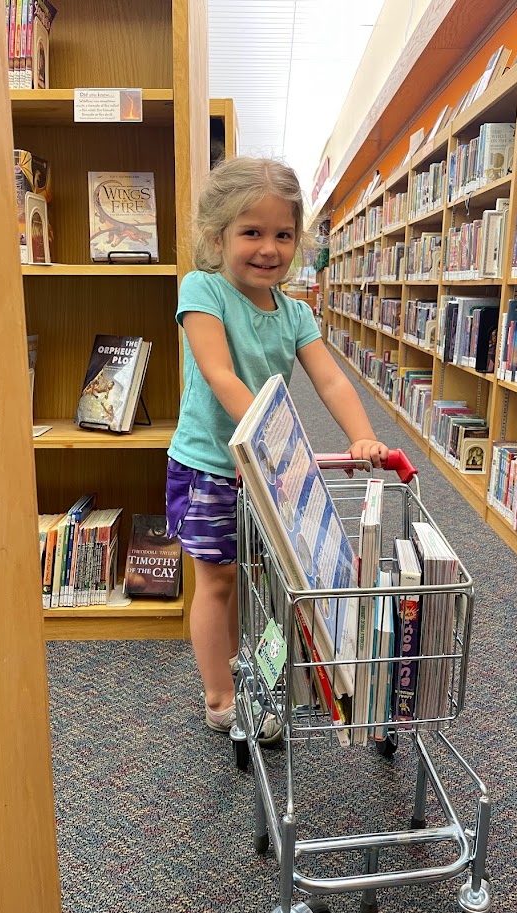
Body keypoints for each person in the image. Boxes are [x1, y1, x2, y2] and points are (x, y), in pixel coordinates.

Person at [166, 156, 389, 742]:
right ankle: (219, 694)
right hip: (213, 467)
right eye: (251, 232)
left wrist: (359, 434)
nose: (269, 248)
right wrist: (273, 441)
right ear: (218, 237)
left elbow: (332, 380)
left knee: (263, 581)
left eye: (283, 234)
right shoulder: (202, 290)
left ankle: (258, 677)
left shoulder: (296, 313)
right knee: (216, 581)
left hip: (270, 473)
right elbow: (219, 374)